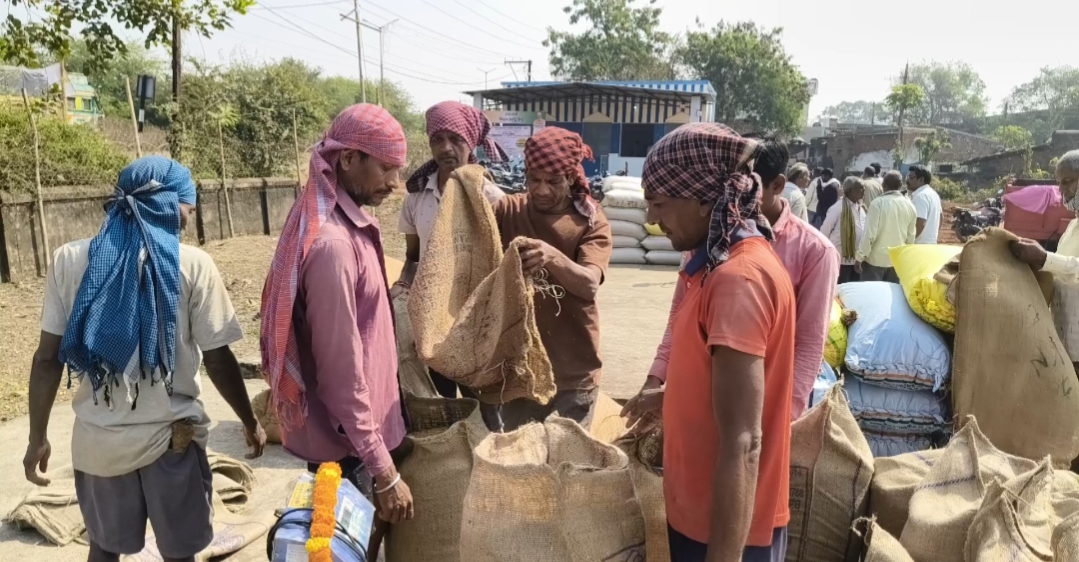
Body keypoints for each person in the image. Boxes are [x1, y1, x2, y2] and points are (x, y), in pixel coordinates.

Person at [24, 156, 266, 562]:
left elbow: (48, 360)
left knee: (103, 551)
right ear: (171, 205)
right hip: (172, 442)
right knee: (180, 555)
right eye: (189, 206)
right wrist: (249, 420)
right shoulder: (193, 264)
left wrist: (37, 439)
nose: (191, 217)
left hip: (99, 444)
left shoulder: (69, 260)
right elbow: (218, 358)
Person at [637, 123, 795, 562]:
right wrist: (672, 398)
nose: (652, 219)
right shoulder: (714, 268)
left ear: (705, 198)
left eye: (659, 203)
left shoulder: (737, 281)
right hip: (703, 518)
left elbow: (744, 441)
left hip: (725, 534)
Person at [260, 104, 414, 525]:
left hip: (359, 442)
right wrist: (382, 469)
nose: (394, 183)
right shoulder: (334, 247)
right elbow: (340, 372)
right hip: (349, 451)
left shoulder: (350, 225)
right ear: (348, 159)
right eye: (385, 168)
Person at [625, 138, 836, 427]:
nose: (739, 194)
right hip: (699, 399)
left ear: (777, 185)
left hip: (757, 410)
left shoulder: (814, 251)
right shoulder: (708, 239)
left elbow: (808, 344)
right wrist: (657, 380)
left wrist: (778, 419)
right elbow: (679, 316)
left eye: (750, 186)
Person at [489, 126, 613, 431]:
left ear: (571, 177)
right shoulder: (508, 209)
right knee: (520, 462)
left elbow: (588, 284)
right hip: (521, 371)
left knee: (566, 462)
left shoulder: (590, 221)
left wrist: (552, 256)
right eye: (534, 179)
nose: (542, 190)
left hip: (574, 373)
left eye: (553, 181)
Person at [395, 101, 506, 398]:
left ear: (470, 144)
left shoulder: (492, 199)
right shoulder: (416, 198)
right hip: (433, 322)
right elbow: (413, 258)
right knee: (441, 404)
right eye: (437, 140)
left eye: (455, 140)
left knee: (484, 408)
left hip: (477, 322)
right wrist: (403, 284)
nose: (446, 148)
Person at [1010, 150, 1079, 369]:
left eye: (1067, 181)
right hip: (1066, 339)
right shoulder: (1072, 226)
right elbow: (1062, 270)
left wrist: (1044, 257)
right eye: (1059, 183)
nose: (1061, 190)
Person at [855, 171, 917, 282]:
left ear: (884, 185)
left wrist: (859, 257)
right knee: (889, 296)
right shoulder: (910, 206)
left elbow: (869, 235)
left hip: (875, 261)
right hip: (896, 261)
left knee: (871, 296)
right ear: (900, 185)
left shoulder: (877, 203)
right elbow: (910, 237)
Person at [821, 177, 868, 284]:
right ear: (849, 190)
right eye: (860, 188)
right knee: (840, 289)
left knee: (853, 290)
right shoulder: (837, 208)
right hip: (841, 259)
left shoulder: (861, 207)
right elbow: (824, 231)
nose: (863, 190)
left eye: (864, 187)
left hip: (856, 259)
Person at [908, 165, 942, 244]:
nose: (908, 181)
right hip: (931, 243)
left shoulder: (920, 196)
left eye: (911, 178)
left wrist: (910, 241)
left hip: (919, 245)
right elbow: (941, 217)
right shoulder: (933, 194)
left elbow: (920, 222)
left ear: (921, 179)